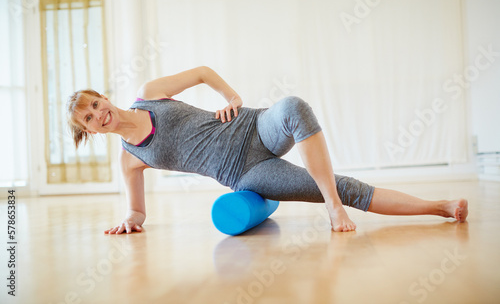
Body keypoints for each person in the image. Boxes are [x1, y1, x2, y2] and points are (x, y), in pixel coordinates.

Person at [66, 66, 468, 234]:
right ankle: (442, 207)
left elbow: (203, 72)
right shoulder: (130, 159)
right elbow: (137, 210)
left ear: (104, 98)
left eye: (96, 104)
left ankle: (332, 205)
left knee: (293, 107)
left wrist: (232, 96)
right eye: (89, 118)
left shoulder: (149, 94)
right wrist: (130, 220)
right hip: (246, 175)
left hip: (252, 125)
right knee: (349, 187)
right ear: (90, 131)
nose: (98, 114)